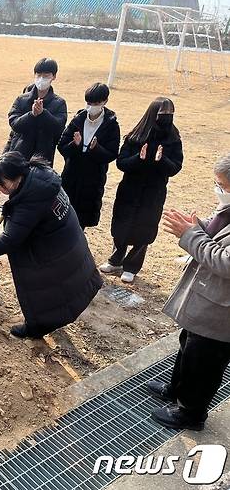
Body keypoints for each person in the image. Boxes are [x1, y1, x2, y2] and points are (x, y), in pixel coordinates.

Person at [0, 151, 102, 339]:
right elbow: (25, 210)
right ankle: (48, 319)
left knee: (43, 289)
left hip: (54, 251)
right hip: (66, 242)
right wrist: (8, 208)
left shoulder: (31, 199)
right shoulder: (39, 176)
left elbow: (9, 239)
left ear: (17, 178)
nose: (0, 189)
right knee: (62, 287)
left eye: (3, 184)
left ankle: (36, 327)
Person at [148, 154, 230, 431]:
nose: (217, 189)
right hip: (209, 302)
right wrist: (198, 227)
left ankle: (191, 413)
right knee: (189, 347)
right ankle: (176, 390)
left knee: (204, 363)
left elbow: (225, 262)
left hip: (221, 313)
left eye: (221, 185)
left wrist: (190, 235)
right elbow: (217, 237)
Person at [99, 97, 183, 283]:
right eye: (162, 114)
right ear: (153, 114)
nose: (166, 118)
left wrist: (162, 160)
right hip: (130, 191)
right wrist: (139, 158)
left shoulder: (173, 140)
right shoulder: (135, 136)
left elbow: (175, 167)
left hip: (153, 194)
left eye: (170, 115)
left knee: (144, 229)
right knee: (121, 226)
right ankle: (116, 259)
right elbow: (121, 163)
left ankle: (132, 266)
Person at [58, 82, 121, 229]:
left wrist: (96, 149)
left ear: (105, 101)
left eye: (96, 103)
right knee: (63, 212)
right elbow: (62, 146)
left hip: (93, 177)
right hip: (72, 173)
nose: (91, 106)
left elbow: (112, 154)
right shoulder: (78, 119)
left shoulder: (111, 125)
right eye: (89, 102)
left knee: (83, 216)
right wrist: (75, 145)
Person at [3, 58, 67, 166]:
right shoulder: (22, 99)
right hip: (19, 155)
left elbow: (59, 129)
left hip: (42, 159)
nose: (41, 79)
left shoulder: (59, 103)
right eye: (38, 75)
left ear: (54, 77)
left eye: (46, 75)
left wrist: (43, 114)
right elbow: (14, 124)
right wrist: (31, 115)